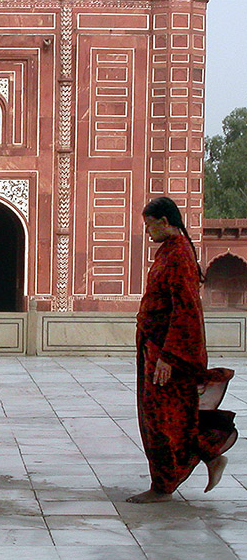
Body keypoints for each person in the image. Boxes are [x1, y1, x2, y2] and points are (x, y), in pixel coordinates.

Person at [128, 196, 238, 503]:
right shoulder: (170, 251)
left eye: (150, 226)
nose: (147, 233)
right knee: (168, 417)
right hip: (155, 350)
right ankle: (208, 459)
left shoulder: (179, 256)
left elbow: (186, 309)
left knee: (163, 420)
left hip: (168, 355)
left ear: (164, 222)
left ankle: (163, 486)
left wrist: (169, 357)